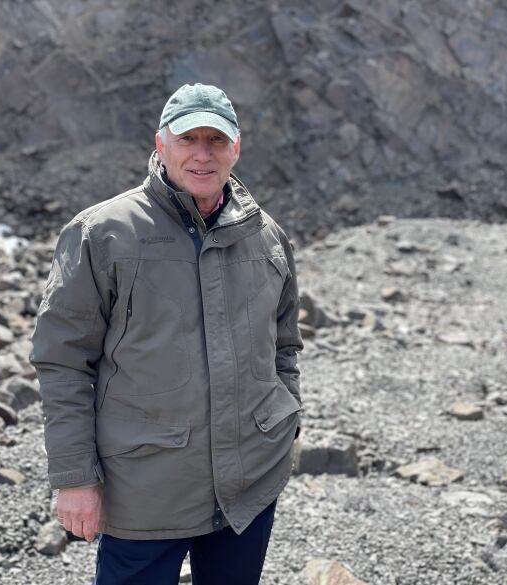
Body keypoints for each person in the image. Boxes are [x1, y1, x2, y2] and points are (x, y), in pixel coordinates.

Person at [30, 82, 303, 584]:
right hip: (144, 491)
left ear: (236, 148)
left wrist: (285, 427)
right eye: (188, 139)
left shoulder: (266, 236)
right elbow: (63, 362)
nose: (203, 154)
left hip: (249, 488)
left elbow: (284, 348)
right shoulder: (102, 234)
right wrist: (74, 479)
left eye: (216, 141)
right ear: (160, 144)